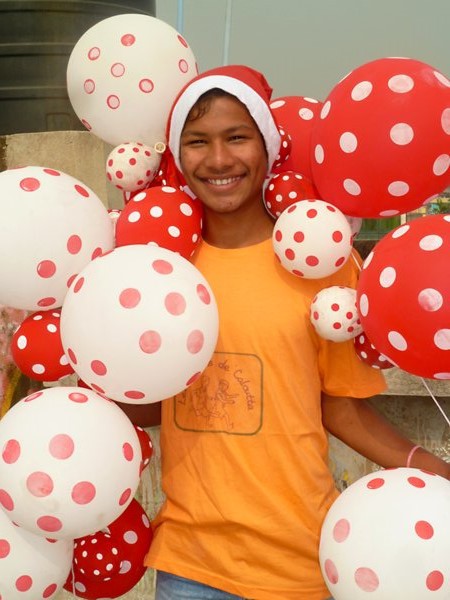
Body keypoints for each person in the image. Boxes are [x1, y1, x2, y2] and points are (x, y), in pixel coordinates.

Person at [120, 65, 450, 600]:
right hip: (190, 566)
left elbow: (340, 407)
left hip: (302, 563)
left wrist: (431, 468)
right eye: (198, 141)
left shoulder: (321, 265)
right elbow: (148, 403)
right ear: (178, 156)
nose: (219, 160)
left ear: (269, 148)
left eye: (237, 137)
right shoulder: (157, 270)